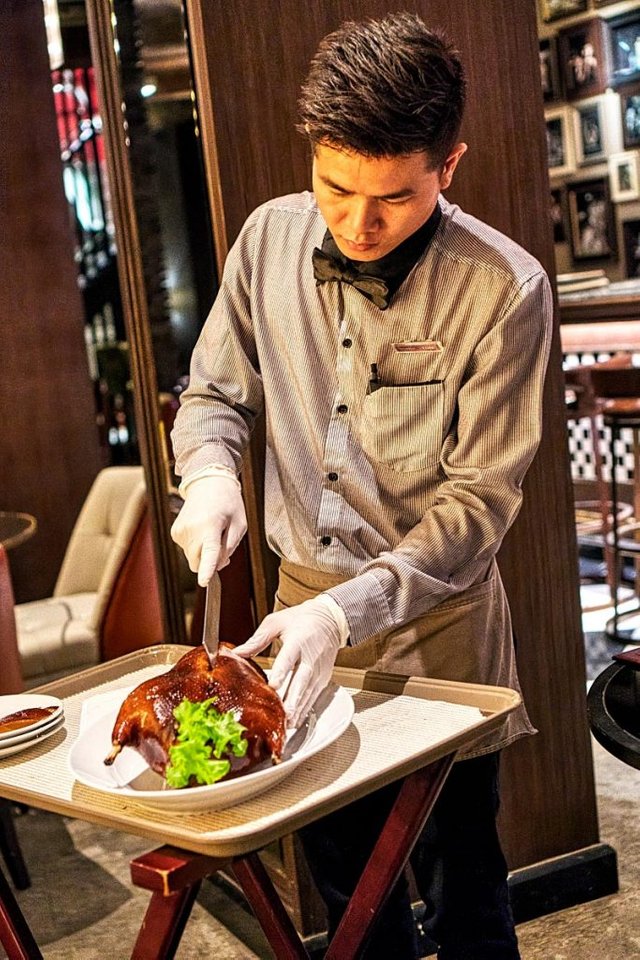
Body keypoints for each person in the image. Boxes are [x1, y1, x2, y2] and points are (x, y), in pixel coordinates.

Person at [170, 12, 552, 959]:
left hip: (440, 635)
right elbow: (214, 391)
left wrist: (349, 612)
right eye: (335, 189)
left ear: (448, 167)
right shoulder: (266, 241)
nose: (358, 224)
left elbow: (479, 508)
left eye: (391, 198)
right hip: (294, 631)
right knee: (347, 896)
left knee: (462, 884)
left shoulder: (505, 290)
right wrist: (212, 472)